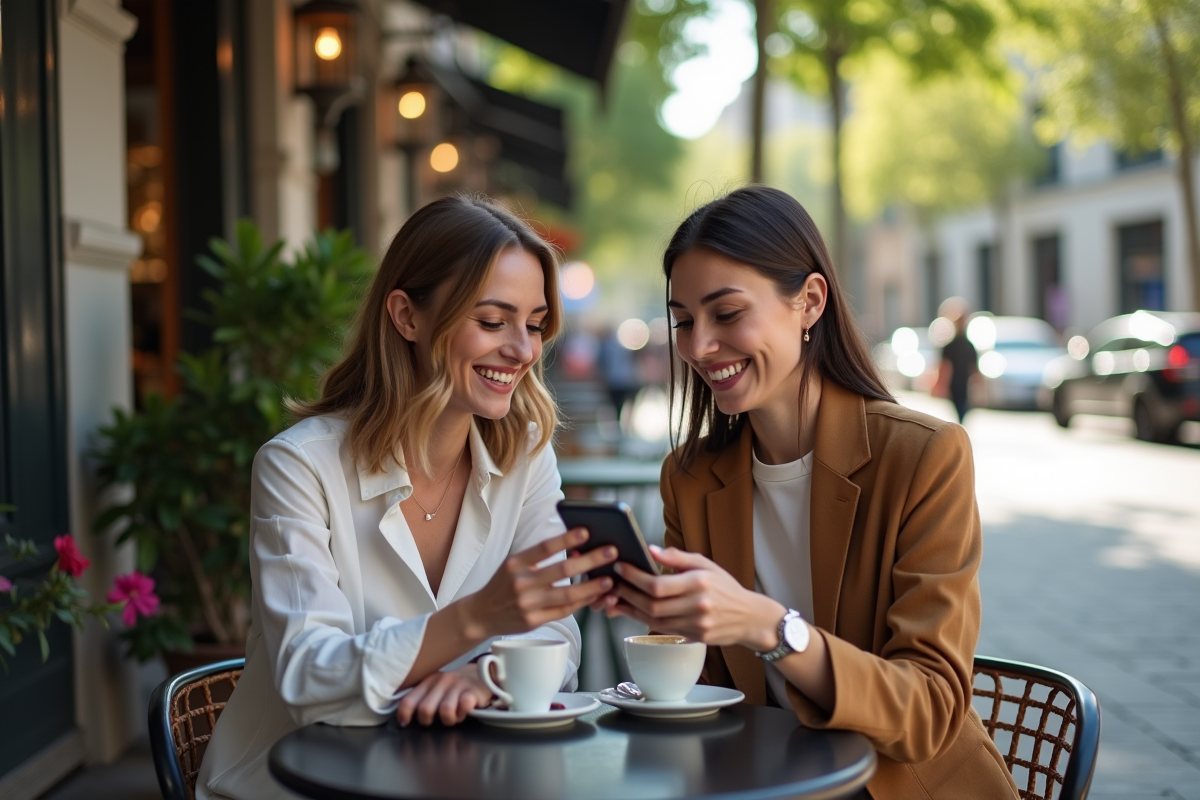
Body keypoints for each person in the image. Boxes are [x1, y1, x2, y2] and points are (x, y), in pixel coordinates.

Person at [597, 187, 1019, 800]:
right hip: (761, 783)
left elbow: (927, 710)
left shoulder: (924, 456)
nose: (698, 346)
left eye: (727, 313)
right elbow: (705, 690)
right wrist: (658, 628)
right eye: (684, 321)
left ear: (810, 303)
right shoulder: (690, 478)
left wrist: (770, 626)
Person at [198, 196, 617, 799]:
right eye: (492, 322)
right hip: (296, 783)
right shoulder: (299, 465)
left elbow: (555, 635)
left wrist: (487, 676)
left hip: (458, 777)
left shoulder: (525, 456)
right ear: (406, 316)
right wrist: (476, 619)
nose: (524, 351)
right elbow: (310, 679)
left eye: (534, 324)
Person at [937, 301, 978, 422]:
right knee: (960, 410)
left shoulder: (967, 345)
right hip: (956, 383)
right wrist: (942, 384)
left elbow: (974, 368)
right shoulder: (953, 346)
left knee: (961, 410)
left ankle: (960, 425)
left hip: (963, 383)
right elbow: (945, 366)